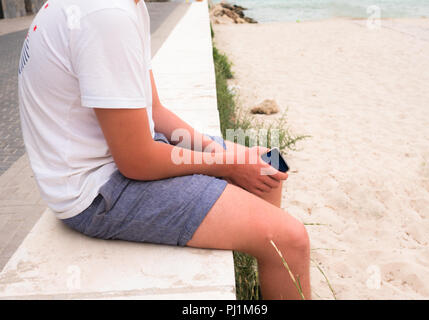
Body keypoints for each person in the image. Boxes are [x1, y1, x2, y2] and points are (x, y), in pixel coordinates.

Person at [18, 0, 310, 300]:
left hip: (123, 153)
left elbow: (154, 110)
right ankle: (268, 245)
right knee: (291, 240)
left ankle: (255, 258)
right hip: (97, 189)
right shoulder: (107, 15)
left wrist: (213, 149)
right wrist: (227, 163)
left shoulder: (127, 7)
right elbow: (137, 161)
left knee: (269, 164)